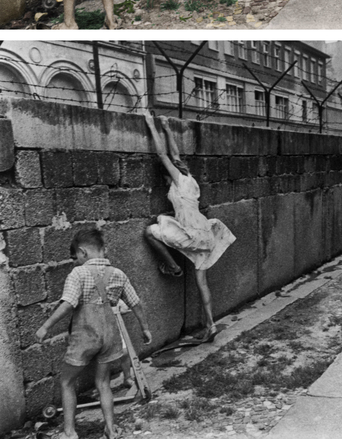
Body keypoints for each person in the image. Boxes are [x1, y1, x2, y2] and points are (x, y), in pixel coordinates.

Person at [35, 228, 151, 439]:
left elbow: (69, 303)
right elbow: (136, 302)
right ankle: (110, 428)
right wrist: (145, 327)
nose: (76, 261)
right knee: (104, 383)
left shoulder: (78, 273)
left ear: (83, 252)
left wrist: (46, 326)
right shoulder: (118, 274)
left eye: (76, 257)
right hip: (109, 335)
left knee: (67, 382)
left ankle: (70, 432)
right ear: (102, 250)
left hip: (86, 335)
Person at [143, 111, 236, 343]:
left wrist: (150, 125)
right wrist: (165, 125)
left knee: (151, 231)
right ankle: (210, 324)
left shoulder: (177, 180)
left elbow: (163, 154)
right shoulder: (190, 179)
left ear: (170, 175)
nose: (166, 182)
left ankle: (173, 267)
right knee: (201, 282)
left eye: (165, 178)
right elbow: (175, 154)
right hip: (205, 234)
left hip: (191, 235)